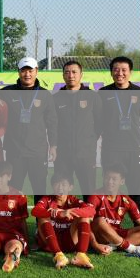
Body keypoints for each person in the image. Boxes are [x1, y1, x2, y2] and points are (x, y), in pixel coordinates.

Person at [0, 57, 57, 203]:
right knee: (13, 189)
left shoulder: (45, 95)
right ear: (18, 72)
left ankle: (41, 218)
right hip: (15, 151)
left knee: (39, 189)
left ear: (36, 71)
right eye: (23, 71)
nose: (27, 74)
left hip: (37, 152)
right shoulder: (6, 93)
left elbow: (52, 123)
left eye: (30, 70)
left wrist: (53, 145)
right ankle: (14, 218)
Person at [99, 56, 140, 214]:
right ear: (111, 72)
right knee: (110, 191)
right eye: (116, 70)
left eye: (123, 70)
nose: (120, 73)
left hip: (134, 149)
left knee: (136, 191)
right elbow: (98, 120)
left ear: (130, 72)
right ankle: (108, 225)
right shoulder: (103, 93)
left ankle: (139, 225)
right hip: (111, 150)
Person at [85, 164, 140, 256]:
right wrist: (95, 244)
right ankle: (132, 248)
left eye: (114, 179)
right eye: (107, 178)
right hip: (101, 236)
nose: (110, 182)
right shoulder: (95, 196)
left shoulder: (126, 200)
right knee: (100, 221)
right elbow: (86, 223)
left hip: (117, 234)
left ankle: (114, 246)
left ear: (122, 181)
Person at [53, 61, 102, 199]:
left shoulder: (92, 97)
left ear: (81, 75)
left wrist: (88, 140)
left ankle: (90, 213)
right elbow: (52, 125)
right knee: (61, 191)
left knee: (89, 191)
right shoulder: (56, 98)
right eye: (67, 72)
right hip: (62, 155)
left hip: (85, 154)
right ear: (63, 75)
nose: (71, 75)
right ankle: (64, 214)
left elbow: (99, 123)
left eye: (74, 72)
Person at [31, 172, 98, 270]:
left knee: (84, 217)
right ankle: (58, 256)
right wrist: (59, 213)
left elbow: (91, 210)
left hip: (69, 240)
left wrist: (71, 212)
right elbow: (35, 211)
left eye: (64, 185)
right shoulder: (47, 199)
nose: (60, 188)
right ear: (52, 186)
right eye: (56, 184)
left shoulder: (74, 200)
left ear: (70, 187)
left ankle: (81, 255)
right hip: (50, 243)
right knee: (42, 217)